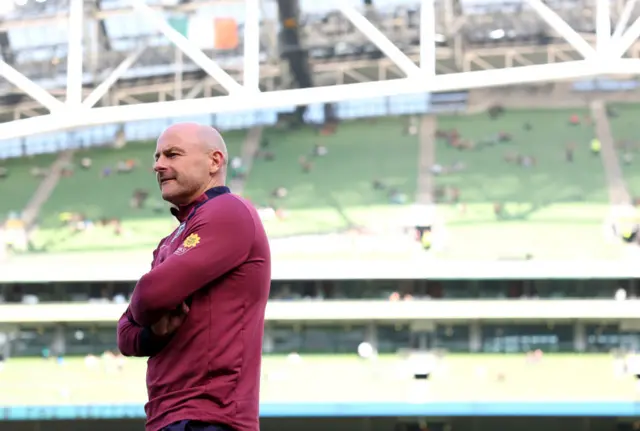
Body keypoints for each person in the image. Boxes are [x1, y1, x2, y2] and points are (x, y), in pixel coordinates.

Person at [116, 123, 271, 431]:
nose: (158, 165)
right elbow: (125, 337)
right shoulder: (171, 238)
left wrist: (149, 307)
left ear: (215, 161)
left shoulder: (229, 211)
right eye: (158, 155)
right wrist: (154, 334)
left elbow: (149, 296)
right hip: (167, 416)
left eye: (172, 154)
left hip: (211, 416)